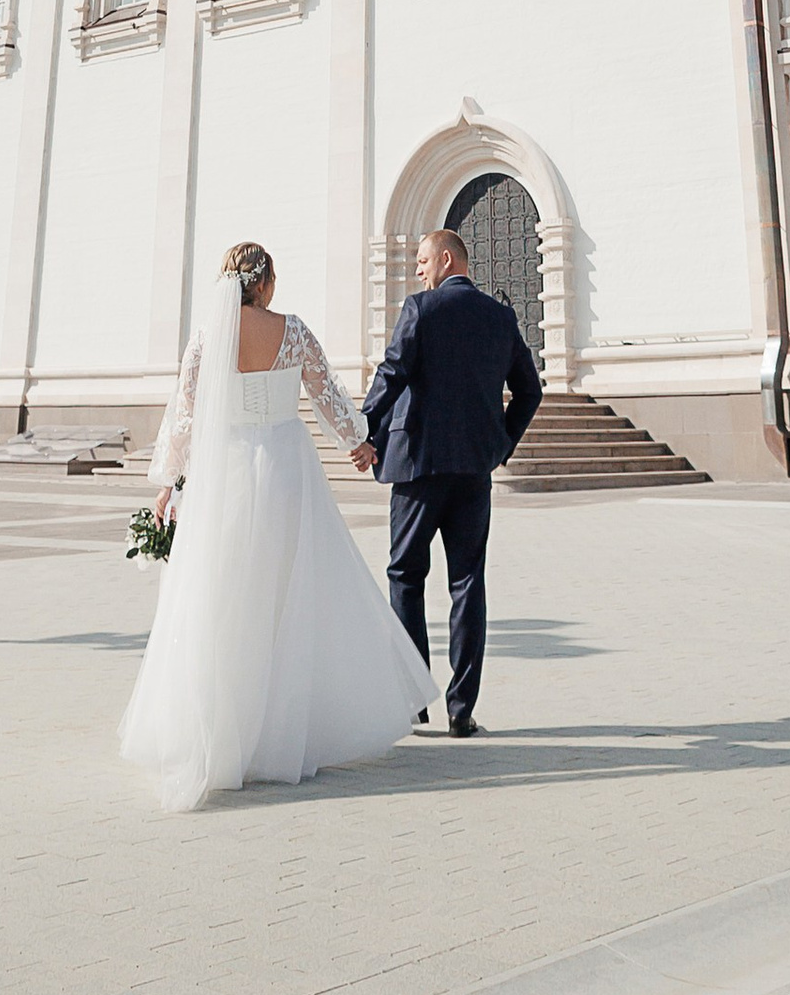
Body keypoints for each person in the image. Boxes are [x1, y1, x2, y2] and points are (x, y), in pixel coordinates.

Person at [119, 240, 434, 813]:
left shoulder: (209, 336)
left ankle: (225, 735)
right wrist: (359, 442)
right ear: (265, 282)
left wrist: (169, 480)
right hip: (287, 467)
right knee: (289, 597)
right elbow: (327, 394)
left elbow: (183, 410)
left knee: (224, 598)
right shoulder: (292, 330)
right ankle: (280, 737)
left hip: (226, 471)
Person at [362, 225, 542, 738]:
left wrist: (363, 430)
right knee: (467, 583)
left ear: (445, 259)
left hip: (417, 466)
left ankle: (415, 699)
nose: (418, 269)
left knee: (405, 576)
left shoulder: (422, 308)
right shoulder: (500, 317)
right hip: (473, 472)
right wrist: (500, 444)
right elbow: (530, 391)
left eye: (422, 260)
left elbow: (391, 374)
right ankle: (462, 709)